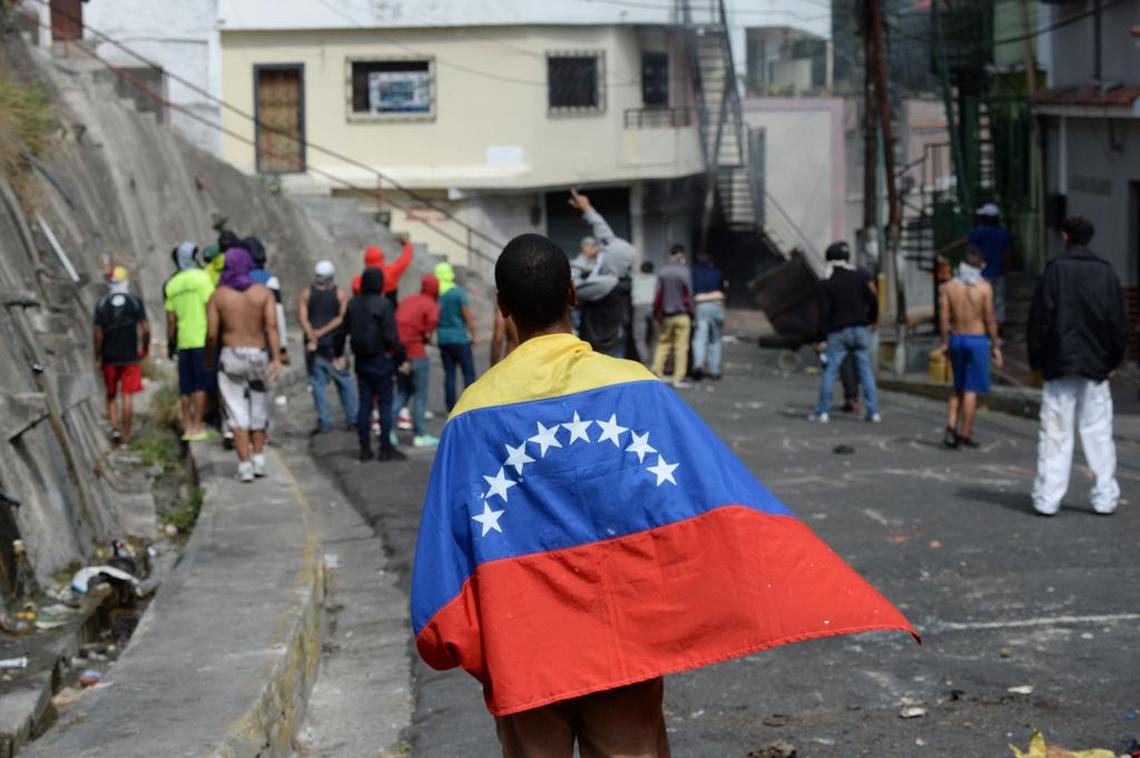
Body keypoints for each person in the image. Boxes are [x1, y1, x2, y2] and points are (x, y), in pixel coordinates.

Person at [410, 233, 916, 758]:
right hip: (622, 643)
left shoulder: (470, 414)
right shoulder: (636, 387)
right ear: (573, 295)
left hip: (526, 651)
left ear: (502, 307)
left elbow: (447, 558)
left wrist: (473, 647)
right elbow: (707, 500)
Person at [1028, 216, 1127, 517]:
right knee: (1098, 432)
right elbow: (1117, 322)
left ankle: (1048, 498)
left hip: (1059, 361)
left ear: (1065, 236)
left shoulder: (1055, 271)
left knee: (1056, 432)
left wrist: (1037, 359)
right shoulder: (1106, 273)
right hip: (1096, 363)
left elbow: (1040, 320)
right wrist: (1113, 360)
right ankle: (1104, 496)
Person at [204, 248, 282, 482]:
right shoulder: (263, 294)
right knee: (259, 409)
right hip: (258, 355)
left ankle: (244, 465)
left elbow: (211, 333)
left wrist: (208, 358)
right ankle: (259, 459)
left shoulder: (219, 296)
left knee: (236, 413)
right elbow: (271, 326)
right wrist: (276, 357)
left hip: (231, 357)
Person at [809, 241, 880, 423]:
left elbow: (823, 314)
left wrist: (819, 338)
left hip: (838, 331)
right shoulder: (861, 276)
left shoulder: (827, 283)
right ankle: (873, 412)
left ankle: (822, 411)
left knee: (830, 371)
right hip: (861, 328)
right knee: (865, 371)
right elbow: (873, 300)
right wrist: (872, 319)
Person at [938, 247, 1002, 449]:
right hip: (976, 339)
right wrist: (996, 345)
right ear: (980, 266)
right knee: (971, 389)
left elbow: (943, 317)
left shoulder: (949, 287)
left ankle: (951, 427)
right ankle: (965, 433)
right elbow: (990, 319)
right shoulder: (984, 288)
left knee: (957, 386)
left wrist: (945, 342)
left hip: (957, 337)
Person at [346, 268, 408, 462]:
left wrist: (338, 352)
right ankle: (385, 448)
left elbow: (342, 331)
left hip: (361, 360)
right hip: (381, 359)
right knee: (385, 405)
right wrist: (401, 358)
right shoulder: (384, 305)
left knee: (364, 405)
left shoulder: (353, 304)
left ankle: (364, 449)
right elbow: (390, 336)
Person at [567, 190, 635, 357]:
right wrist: (588, 209)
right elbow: (607, 237)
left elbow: (571, 285)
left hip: (598, 350)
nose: (599, 251)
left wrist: (583, 257)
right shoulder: (621, 278)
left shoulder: (606, 284)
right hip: (610, 346)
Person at [299, 260, 358, 434]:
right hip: (334, 346)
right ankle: (352, 419)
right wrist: (321, 332)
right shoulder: (340, 294)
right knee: (344, 383)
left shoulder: (306, 293)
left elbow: (303, 317)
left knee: (318, 385)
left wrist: (312, 335)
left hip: (314, 346)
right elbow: (341, 318)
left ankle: (325, 421)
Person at [164, 242, 215, 441]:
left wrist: (171, 343)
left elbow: (171, 320)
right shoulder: (203, 278)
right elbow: (210, 309)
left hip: (183, 341)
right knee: (201, 385)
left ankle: (187, 427)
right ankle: (197, 426)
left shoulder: (172, 284)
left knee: (186, 387)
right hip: (202, 339)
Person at [93, 266, 149, 445]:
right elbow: (146, 328)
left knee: (111, 395)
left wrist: (98, 356)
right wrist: (145, 348)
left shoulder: (102, 304)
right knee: (127, 395)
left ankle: (114, 428)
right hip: (130, 356)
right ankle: (126, 435)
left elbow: (97, 334)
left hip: (109, 357)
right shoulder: (135, 303)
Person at [393, 273, 441, 447]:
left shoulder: (408, 300)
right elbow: (428, 335)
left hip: (400, 355)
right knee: (420, 396)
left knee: (402, 393)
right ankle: (420, 434)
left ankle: (388, 430)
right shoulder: (431, 306)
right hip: (417, 354)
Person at [434, 262, 477, 412]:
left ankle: (450, 406)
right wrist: (473, 334)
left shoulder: (436, 295)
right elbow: (467, 316)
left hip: (443, 338)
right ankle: (471, 404)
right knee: (468, 373)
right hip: (460, 338)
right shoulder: (458, 293)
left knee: (449, 374)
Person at [649, 245, 693, 388]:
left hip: (667, 315)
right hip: (682, 315)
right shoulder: (685, 272)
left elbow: (658, 296)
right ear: (682, 255)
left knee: (663, 344)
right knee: (681, 347)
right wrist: (691, 313)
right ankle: (678, 377)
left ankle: (656, 372)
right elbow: (689, 296)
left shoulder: (663, 272)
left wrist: (656, 314)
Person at [244, 236, 290, 367]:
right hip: (263, 343)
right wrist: (282, 347)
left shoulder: (237, 281)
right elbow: (278, 316)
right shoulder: (270, 281)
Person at [967, 203, 1012, 326]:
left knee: (982, 300)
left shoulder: (978, 233)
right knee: (999, 300)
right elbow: (1006, 253)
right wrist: (1006, 270)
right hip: (999, 271)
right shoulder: (1003, 233)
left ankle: (985, 326)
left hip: (982, 272)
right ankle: (999, 327)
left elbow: (973, 252)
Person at [690, 251, 727, 380]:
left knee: (700, 338)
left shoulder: (693, 273)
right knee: (715, 339)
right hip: (716, 305)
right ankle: (714, 370)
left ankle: (698, 365)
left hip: (701, 306)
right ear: (710, 262)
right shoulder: (718, 273)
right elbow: (723, 289)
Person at [351, 236, 415, 307]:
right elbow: (404, 260)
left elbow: (356, 289)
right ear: (382, 257)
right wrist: (408, 245)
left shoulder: (359, 280)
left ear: (365, 261)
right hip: (389, 311)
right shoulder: (391, 272)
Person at [630, 261, 658, 365]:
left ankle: (645, 360)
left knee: (639, 337)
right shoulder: (656, 279)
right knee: (656, 337)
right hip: (653, 306)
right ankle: (654, 360)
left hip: (639, 306)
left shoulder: (635, 278)